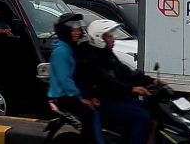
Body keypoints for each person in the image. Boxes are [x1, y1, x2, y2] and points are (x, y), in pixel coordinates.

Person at [79, 20, 154, 144]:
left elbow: (127, 73)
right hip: (105, 102)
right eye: (109, 36)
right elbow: (107, 81)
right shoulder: (92, 57)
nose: (112, 39)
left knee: (151, 108)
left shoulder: (107, 54)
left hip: (117, 98)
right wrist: (132, 89)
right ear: (99, 38)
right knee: (142, 117)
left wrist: (152, 81)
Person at [48, 12, 103, 144]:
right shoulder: (61, 51)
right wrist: (81, 99)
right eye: (73, 29)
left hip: (70, 95)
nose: (77, 32)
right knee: (89, 115)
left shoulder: (71, 48)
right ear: (65, 31)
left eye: (78, 29)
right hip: (64, 97)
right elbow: (65, 80)